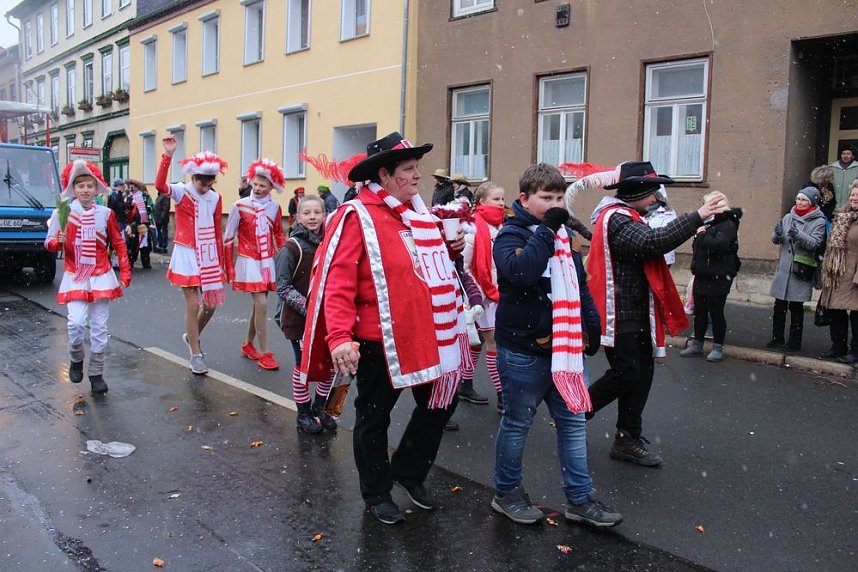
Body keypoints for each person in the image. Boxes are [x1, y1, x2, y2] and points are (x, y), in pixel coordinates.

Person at [298, 132, 468, 525]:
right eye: (409, 170)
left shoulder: (418, 216)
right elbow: (336, 281)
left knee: (441, 402)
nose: (417, 177)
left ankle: (408, 472)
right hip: (378, 341)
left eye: (416, 169)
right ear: (385, 175)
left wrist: (445, 252)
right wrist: (340, 337)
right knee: (375, 418)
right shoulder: (355, 215)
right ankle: (376, 493)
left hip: (427, 334)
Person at [491, 163, 620, 527]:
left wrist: (592, 326)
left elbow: (579, 286)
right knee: (517, 423)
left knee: (573, 423)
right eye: (545, 198)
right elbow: (522, 272)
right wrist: (546, 229)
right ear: (524, 199)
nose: (554, 205)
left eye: (559, 197)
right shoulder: (510, 235)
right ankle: (507, 493)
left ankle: (580, 499)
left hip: (565, 348)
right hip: (522, 351)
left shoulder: (565, 237)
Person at [585, 161, 726, 467]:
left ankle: (627, 438)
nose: (656, 200)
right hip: (618, 314)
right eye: (652, 194)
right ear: (636, 193)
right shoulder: (617, 218)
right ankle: (577, 410)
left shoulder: (630, 216)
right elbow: (652, 243)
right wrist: (697, 217)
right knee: (627, 373)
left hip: (637, 312)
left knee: (641, 376)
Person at [44, 161, 131, 394]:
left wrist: (125, 269)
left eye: (89, 186)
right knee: (76, 324)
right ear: (73, 188)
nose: (85, 190)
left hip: (101, 275)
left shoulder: (106, 213)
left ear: (96, 189)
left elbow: (119, 242)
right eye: (80, 185)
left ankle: (96, 374)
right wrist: (57, 242)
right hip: (76, 276)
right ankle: (76, 358)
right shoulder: (62, 212)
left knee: (100, 329)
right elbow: (49, 242)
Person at [154, 136, 228, 375]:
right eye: (199, 181)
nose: (203, 186)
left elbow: (218, 230)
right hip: (186, 253)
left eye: (208, 182)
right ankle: (196, 354)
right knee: (193, 303)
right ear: (192, 176)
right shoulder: (180, 191)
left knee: (211, 304)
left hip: (208, 255)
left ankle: (191, 335)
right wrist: (168, 156)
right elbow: (159, 186)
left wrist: (221, 262)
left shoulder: (216, 198)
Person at [275, 194, 337, 433]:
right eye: (307, 213)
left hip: (327, 318)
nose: (312, 217)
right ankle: (303, 413)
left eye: (317, 212)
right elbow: (282, 286)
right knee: (304, 366)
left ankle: (320, 408)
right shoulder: (292, 247)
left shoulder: (329, 243)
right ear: (298, 217)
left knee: (329, 364)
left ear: (324, 215)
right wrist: (310, 309)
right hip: (299, 320)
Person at [223, 159, 287, 371]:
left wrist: (286, 256)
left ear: (271, 188)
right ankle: (265, 352)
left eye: (263, 185)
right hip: (248, 259)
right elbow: (228, 237)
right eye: (256, 184)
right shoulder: (239, 206)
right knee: (261, 304)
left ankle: (248, 344)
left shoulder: (275, 207)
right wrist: (228, 266)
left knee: (258, 306)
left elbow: (278, 233)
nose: (258, 189)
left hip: (267, 261)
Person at [680, 193, 742, 362]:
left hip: (719, 276)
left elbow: (717, 245)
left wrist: (701, 235)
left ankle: (717, 347)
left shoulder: (728, 224)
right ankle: (697, 345)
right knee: (700, 313)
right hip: (702, 274)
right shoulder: (706, 223)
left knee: (716, 312)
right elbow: (698, 248)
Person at [461, 180, 505, 410]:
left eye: (502, 199)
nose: (501, 203)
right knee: (494, 343)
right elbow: (464, 267)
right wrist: (478, 295)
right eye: (496, 199)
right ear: (482, 202)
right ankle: (502, 395)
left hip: (498, 293)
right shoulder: (473, 229)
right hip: (482, 296)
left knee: (476, 343)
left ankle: (465, 384)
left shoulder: (501, 226)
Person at [767, 186, 826, 351]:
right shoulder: (788, 217)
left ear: (812, 202)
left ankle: (794, 342)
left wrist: (798, 234)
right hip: (785, 269)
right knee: (779, 306)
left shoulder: (819, 221)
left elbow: (815, 243)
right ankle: (776, 338)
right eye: (798, 199)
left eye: (804, 200)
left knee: (796, 308)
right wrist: (777, 234)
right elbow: (777, 240)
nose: (800, 203)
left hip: (801, 269)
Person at [819, 180, 858, 362]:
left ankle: (856, 351)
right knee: (836, 311)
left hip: (855, 273)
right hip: (838, 272)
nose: (854, 198)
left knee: (856, 315)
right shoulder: (842, 215)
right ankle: (838, 346)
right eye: (852, 194)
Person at [124, 178, 155, 270]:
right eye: (130, 186)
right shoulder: (128, 198)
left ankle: (146, 262)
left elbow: (151, 207)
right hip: (132, 224)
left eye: (133, 186)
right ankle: (131, 262)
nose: (131, 188)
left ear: (137, 187)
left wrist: (149, 209)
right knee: (132, 244)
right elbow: (125, 210)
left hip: (143, 223)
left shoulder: (145, 197)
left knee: (145, 244)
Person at [645, 186, 679, 266]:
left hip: (663, 258)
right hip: (646, 256)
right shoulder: (641, 211)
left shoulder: (668, 213)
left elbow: (666, 234)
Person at [153, 189, 171, 254]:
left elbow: (165, 208)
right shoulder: (159, 196)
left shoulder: (165, 196)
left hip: (162, 219)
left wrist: (161, 218)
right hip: (157, 218)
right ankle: (160, 246)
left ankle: (164, 247)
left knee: (163, 233)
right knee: (159, 233)